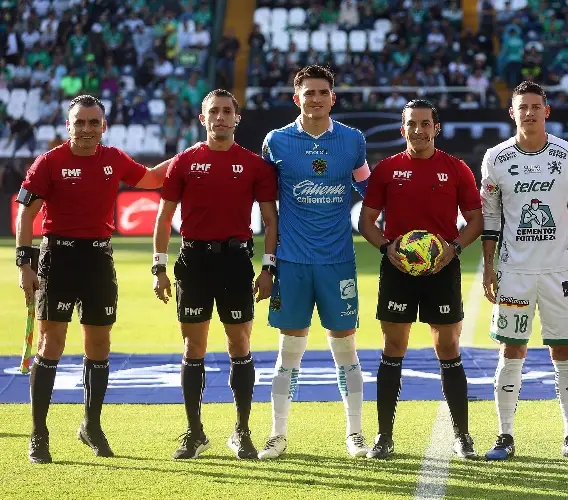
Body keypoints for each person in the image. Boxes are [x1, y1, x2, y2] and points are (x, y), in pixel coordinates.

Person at [15, 94, 171, 464]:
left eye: (93, 122)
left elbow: (149, 179)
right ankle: (39, 433)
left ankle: (91, 425)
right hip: (58, 258)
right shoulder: (48, 163)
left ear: (104, 126)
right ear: (68, 126)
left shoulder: (113, 159)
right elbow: (26, 213)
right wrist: (25, 264)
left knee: (99, 345)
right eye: (79, 122)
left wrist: (187, 157)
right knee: (51, 344)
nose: (86, 129)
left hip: (99, 259)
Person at [152, 89, 279, 460]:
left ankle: (242, 431)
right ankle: (195, 433)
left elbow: (271, 221)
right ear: (202, 119)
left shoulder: (255, 165)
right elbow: (162, 218)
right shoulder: (184, 162)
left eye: (227, 111)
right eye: (214, 112)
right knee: (194, 348)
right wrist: (159, 267)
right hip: (193, 262)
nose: (220, 117)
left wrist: (268, 267)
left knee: (240, 345)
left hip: (237, 262)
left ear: (237, 118)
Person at [480, 81, 568, 462]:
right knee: (511, 350)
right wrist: (488, 266)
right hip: (514, 271)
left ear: (546, 111)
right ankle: (505, 435)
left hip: (560, 270)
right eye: (522, 107)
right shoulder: (495, 158)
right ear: (511, 113)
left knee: (565, 352)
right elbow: (490, 216)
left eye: (535, 106)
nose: (528, 113)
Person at [359, 99, 484, 459]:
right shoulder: (386, 170)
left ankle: (462, 436)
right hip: (398, 270)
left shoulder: (457, 169)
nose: (418, 129)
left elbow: (475, 221)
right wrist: (387, 249)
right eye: (411, 123)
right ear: (403, 129)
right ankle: (384, 437)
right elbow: (366, 222)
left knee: (448, 348)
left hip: (442, 269)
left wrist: (454, 248)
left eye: (425, 123)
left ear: (436, 128)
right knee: (393, 349)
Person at [258, 65, 371, 460]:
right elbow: (265, 202)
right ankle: (277, 434)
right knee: (289, 352)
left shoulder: (353, 141)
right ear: (297, 98)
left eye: (323, 92)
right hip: (291, 261)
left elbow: (369, 190)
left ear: (333, 98)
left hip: (338, 261)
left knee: (346, 350)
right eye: (309, 93)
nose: (317, 99)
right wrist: (268, 262)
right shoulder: (277, 142)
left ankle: (355, 434)